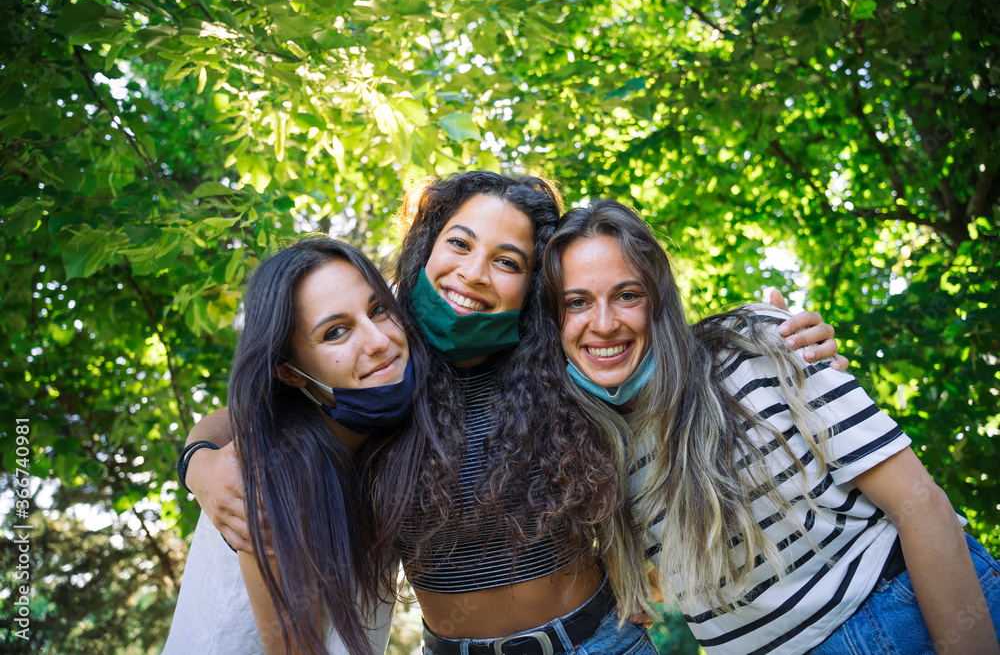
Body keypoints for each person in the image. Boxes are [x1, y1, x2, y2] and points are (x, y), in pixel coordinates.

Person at [184, 172, 841, 655]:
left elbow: (660, 348)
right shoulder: (386, 363)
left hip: (597, 643)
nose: (475, 273)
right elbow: (256, 413)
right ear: (427, 247)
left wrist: (781, 341)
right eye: (460, 244)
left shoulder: (566, 360)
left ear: (532, 283)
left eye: (507, 261)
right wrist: (201, 463)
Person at [542, 198, 1000, 654]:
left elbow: (919, 505)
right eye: (577, 302)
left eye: (627, 295)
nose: (604, 323)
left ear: (659, 298)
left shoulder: (753, 344)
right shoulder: (583, 447)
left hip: (898, 611)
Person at [165, 237, 424, 655]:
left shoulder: (388, 436)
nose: (378, 340)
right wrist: (197, 466)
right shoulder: (274, 474)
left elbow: (228, 416)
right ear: (290, 372)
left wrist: (195, 456)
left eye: (378, 309)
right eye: (336, 332)